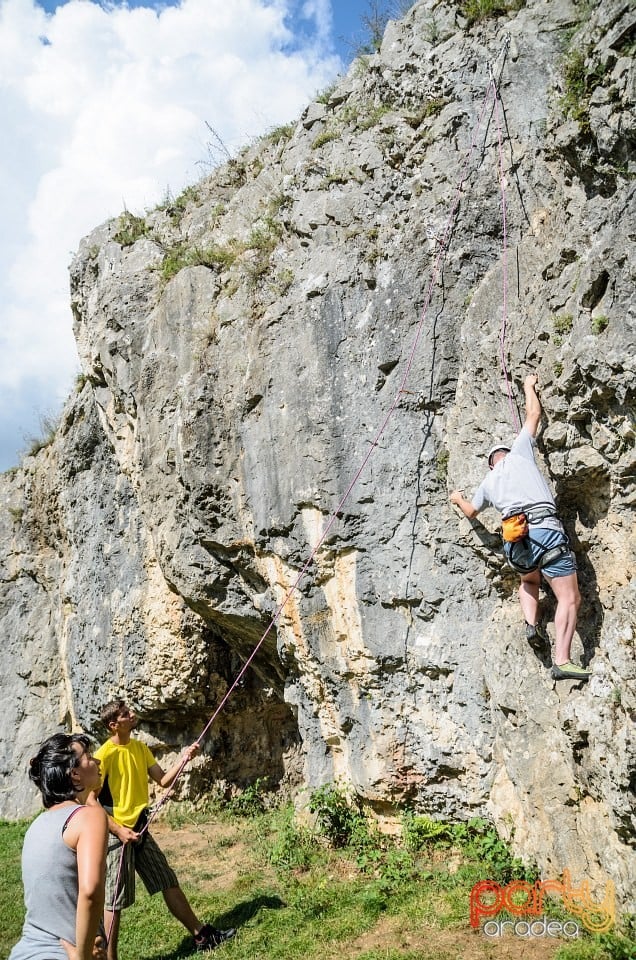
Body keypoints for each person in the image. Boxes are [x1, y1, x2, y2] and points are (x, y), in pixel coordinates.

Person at [449, 373, 590, 681]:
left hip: (516, 541)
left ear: (490, 464)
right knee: (569, 598)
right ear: (507, 454)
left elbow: (472, 512)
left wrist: (458, 498)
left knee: (529, 581)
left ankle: (531, 623)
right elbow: (533, 414)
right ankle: (563, 660)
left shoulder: (488, 482)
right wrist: (528, 386)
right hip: (544, 530)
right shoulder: (521, 452)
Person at [94, 700, 235, 959]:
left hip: (141, 828)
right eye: (126, 714)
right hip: (118, 837)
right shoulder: (103, 755)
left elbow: (162, 779)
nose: (132, 715)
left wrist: (183, 760)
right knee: (115, 903)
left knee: (167, 880)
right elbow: (92, 802)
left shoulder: (139, 748)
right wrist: (117, 830)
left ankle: (201, 935)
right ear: (114, 725)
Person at [9, 733, 108, 960]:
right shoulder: (90, 816)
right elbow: (91, 890)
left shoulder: (36, 825)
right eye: (89, 757)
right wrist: (82, 956)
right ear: (75, 775)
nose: (97, 762)